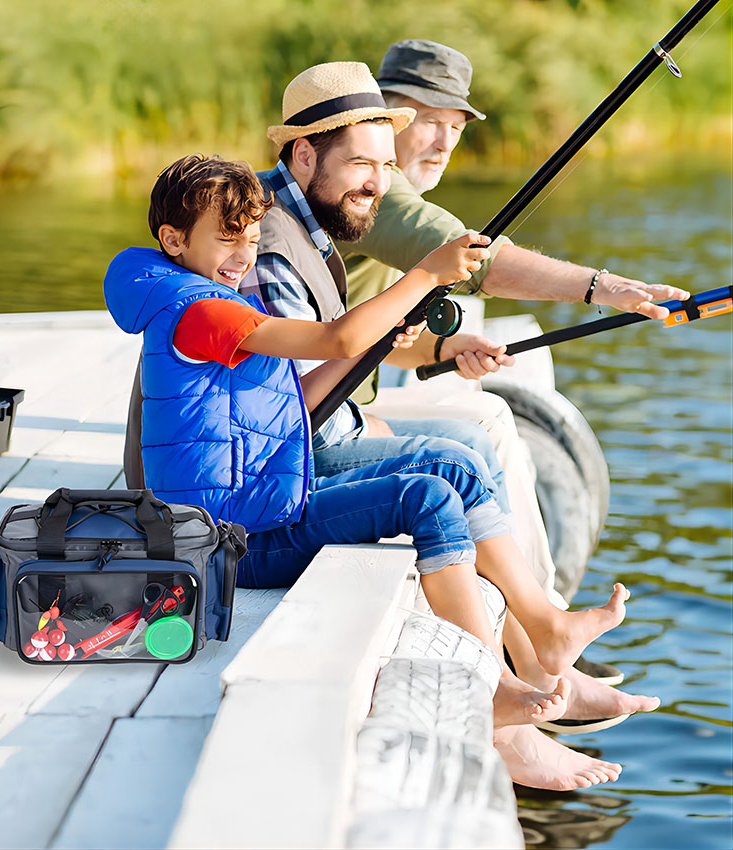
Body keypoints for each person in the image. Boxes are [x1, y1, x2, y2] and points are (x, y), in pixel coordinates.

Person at [104, 152, 636, 790]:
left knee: (445, 479)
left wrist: (391, 334)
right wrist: (425, 274)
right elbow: (336, 341)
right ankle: (488, 681)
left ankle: (542, 630)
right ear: (173, 239)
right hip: (232, 542)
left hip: (258, 503)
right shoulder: (203, 314)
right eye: (228, 238)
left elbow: (319, 369)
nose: (244, 254)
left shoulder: (205, 296)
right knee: (429, 500)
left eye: (250, 237)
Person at [243, 58, 661, 746]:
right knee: (460, 458)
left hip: (318, 417)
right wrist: (605, 287)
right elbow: (463, 267)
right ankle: (523, 680)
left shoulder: (316, 211)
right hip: (283, 455)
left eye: (453, 128)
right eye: (429, 123)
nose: (383, 179)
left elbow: (336, 355)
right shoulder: (286, 237)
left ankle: (535, 649)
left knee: (467, 444)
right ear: (306, 152)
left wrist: (431, 344)